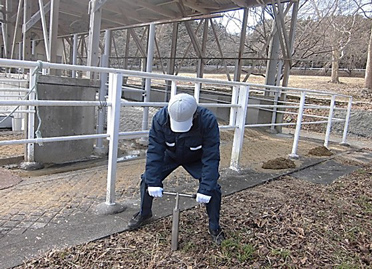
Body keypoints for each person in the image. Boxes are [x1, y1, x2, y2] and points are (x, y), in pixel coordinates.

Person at [127, 93, 225, 245]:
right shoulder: (160, 119)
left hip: (196, 158)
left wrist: (205, 189)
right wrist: (154, 181)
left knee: (214, 188)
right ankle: (145, 213)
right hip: (170, 155)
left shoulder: (207, 121)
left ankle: (214, 227)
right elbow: (155, 151)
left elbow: (211, 157)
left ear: (194, 114)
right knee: (147, 179)